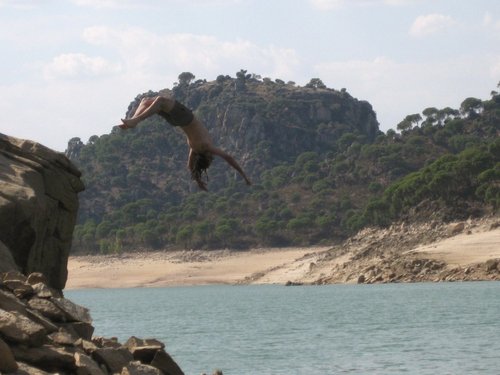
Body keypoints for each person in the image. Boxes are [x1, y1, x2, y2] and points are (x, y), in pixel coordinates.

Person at [119, 95, 251, 191]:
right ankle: (133, 121)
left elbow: (229, 158)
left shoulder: (206, 147)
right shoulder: (193, 148)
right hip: (176, 122)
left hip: (185, 117)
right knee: (146, 101)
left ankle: (135, 120)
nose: (212, 157)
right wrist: (198, 181)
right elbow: (190, 166)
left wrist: (244, 175)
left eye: (211, 159)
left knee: (159, 100)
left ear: (207, 157)